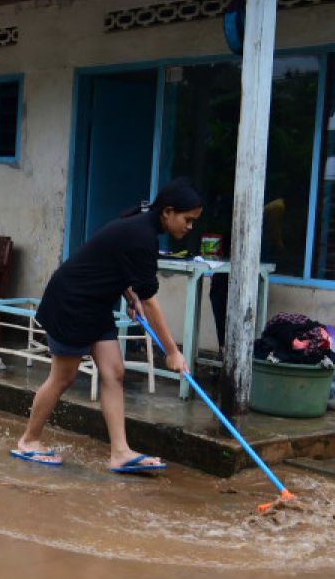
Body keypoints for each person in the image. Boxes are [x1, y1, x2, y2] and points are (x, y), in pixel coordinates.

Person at [13, 178, 199, 473]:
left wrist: (128, 293)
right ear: (168, 212)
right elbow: (151, 302)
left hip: (96, 304)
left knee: (114, 372)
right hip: (71, 303)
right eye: (188, 220)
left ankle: (120, 452)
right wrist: (172, 352)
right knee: (63, 377)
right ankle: (28, 440)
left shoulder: (141, 224)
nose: (190, 227)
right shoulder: (143, 236)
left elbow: (114, 259)